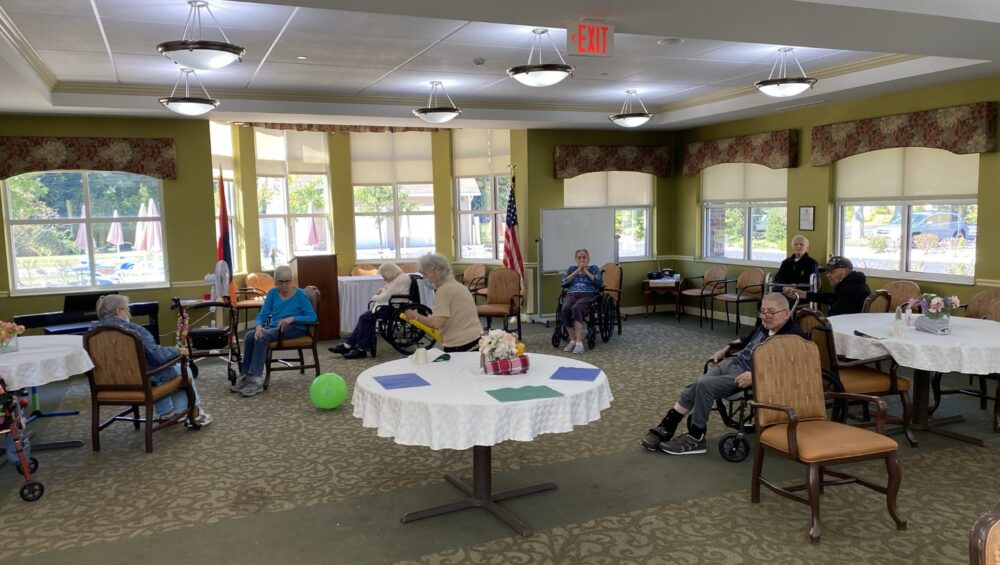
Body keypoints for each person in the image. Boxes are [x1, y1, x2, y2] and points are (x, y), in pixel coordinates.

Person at [641, 293, 803, 455]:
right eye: (762, 311)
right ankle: (668, 426)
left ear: (786, 313)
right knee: (697, 383)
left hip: (748, 376)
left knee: (705, 386)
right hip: (733, 363)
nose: (765, 316)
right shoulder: (765, 326)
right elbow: (745, 340)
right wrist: (724, 350)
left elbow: (791, 370)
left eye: (771, 312)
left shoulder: (794, 338)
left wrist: (755, 376)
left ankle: (696, 437)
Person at [95, 294, 212, 426]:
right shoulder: (134, 331)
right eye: (127, 309)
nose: (129, 312)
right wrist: (179, 351)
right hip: (139, 381)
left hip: (106, 384)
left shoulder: (92, 332)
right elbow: (158, 356)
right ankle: (193, 414)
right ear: (118, 311)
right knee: (182, 370)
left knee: (159, 371)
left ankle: (167, 412)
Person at [232, 265, 317, 397]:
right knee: (250, 335)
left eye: (287, 281)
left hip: (295, 328)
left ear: (291, 280)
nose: (284, 285)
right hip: (275, 327)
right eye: (281, 282)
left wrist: (292, 318)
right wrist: (259, 326)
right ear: (276, 281)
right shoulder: (272, 293)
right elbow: (262, 314)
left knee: (262, 337)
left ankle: (256, 379)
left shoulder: (300, 295)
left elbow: (312, 317)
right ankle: (245, 376)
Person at [330, 262, 412, 359]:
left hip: (395, 308)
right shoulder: (397, 278)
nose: (384, 279)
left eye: (384, 276)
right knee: (364, 318)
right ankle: (349, 345)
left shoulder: (399, 280)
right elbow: (386, 291)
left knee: (364, 318)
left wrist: (375, 296)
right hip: (391, 305)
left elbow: (384, 296)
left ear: (390, 272)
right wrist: (381, 293)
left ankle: (360, 348)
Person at [403, 253, 482, 352]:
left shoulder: (444, 290)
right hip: (475, 338)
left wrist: (415, 315)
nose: (423, 278)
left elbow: (436, 323)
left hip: (460, 344)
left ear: (436, 271)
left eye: (424, 274)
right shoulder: (457, 285)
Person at [784, 255, 870, 316]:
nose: (828, 275)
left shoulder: (850, 290)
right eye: (827, 272)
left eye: (832, 272)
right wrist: (804, 294)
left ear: (846, 270)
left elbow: (833, 317)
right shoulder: (853, 282)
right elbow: (834, 297)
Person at [560, 249, 603, 354]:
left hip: (588, 294)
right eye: (579, 258)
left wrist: (586, 271)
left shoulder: (594, 268)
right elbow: (564, 282)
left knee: (576, 308)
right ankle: (572, 340)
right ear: (576, 259)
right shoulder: (571, 269)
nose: (581, 259)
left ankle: (579, 343)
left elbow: (599, 283)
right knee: (565, 308)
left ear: (588, 258)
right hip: (572, 293)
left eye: (584, 257)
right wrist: (577, 271)